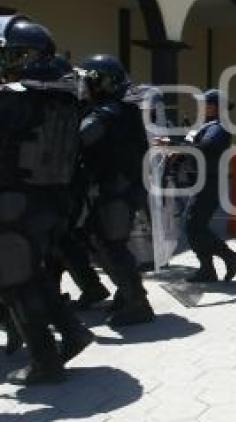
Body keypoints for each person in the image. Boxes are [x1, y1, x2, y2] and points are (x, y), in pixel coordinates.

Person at [0, 15, 93, 384]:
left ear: (30, 58)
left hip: (15, 204)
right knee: (32, 276)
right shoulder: (64, 97)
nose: (8, 63)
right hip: (50, 202)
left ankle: (45, 361)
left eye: (13, 56)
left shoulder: (15, 100)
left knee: (14, 283)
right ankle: (72, 332)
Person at [78, 54, 155, 327]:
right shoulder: (118, 109)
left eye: (89, 81)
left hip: (116, 189)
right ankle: (127, 293)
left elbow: (83, 136)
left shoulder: (110, 112)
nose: (84, 87)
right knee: (104, 244)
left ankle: (138, 304)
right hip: (118, 187)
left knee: (112, 246)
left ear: (103, 83)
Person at [184, 90, 236, 282]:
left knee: (193, 225)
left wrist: (177, 145)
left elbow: (206, 147)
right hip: (202, 182)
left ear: (215, 107)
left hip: (209, 184)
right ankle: (208, 269)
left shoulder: (219, 128)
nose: (201, 107)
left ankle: (230, 257)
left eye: (205, 103)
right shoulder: (208, 125)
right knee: (195, 226)